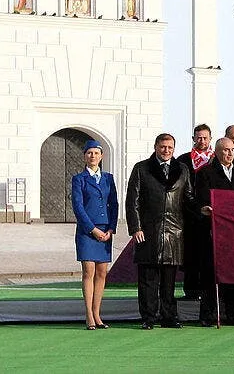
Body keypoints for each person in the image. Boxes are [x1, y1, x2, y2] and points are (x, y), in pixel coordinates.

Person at [126, 133, 195, 329]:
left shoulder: (182, 169)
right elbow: (133, 201)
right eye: (163, 147)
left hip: (174, 233)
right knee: (148, 279)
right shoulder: (141, 168)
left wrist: (202, 209)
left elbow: (188, 198)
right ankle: (148, 317)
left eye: (170, 147)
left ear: (174, 149)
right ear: (156, 146)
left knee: (169, 281)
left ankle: (168, 316)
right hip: (148, 231)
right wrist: (135, 227)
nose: (166, 151)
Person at [196, 137, 234, 326]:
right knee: (210, 275)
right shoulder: (206, 173)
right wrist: (205, 209)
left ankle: (233, 313)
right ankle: (208, 314)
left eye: (232, 150)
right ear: (217, 152)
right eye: (225, 150)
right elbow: (201, 200)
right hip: (213, 231)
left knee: (233, 273)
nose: (229, 153)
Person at [71, 139, 119, 330]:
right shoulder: (79, 179)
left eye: (96, 153)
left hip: (105, 231)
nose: (93, 156)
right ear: (85, 155)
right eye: (89, 153)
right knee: (89, 271)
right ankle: (89, 315)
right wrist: (93, 229)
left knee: (102, 272)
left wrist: (111, 228)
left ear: (101, 156)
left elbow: (114, 204)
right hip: (87, 231)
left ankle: (98, 313)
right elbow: (78, 206)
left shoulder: (108, 178)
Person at [175, 123, 213, 301]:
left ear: (210, 139)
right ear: (193, 139)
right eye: (198, 137)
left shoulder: (216, 159)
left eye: (205, 137)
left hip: (211, 215)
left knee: (208, 254)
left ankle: (208, 291)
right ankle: (190, 290)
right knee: (190, 253)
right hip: (189, 214)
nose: (202, 141)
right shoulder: (183, 160)